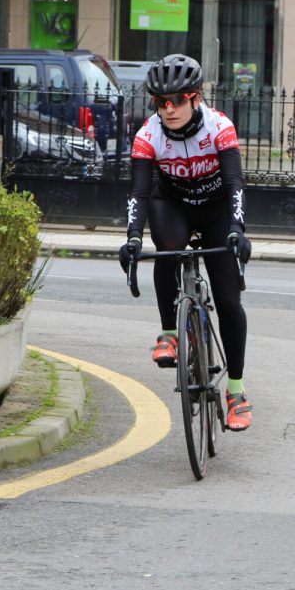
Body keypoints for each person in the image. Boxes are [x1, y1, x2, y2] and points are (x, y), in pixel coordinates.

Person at [118, 54, 255, 432]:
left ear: (196, 98)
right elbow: (140, 193)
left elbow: (234, 184)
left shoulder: (219, 127)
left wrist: (236, 229)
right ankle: (170, 333)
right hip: (173, 204)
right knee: (169, 249)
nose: (170, 108)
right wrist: (131, 236)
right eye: (161, 101)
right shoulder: (149, 135)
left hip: (215, 207)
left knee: (228, 300)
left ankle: (237, 392)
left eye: (178, 99)